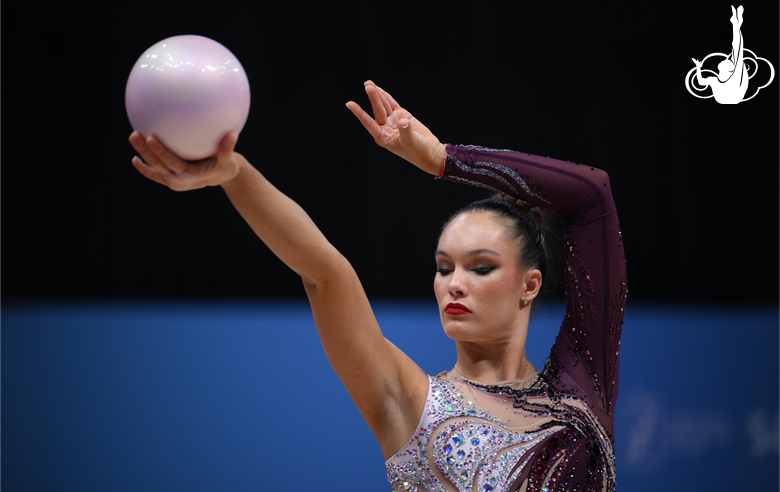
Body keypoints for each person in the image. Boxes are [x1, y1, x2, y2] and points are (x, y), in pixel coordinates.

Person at [129, 80, 626, 491]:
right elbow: (324, 273)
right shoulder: (410, 400)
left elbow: (591, 195)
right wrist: (235, 174)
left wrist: (442, 158)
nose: (454, 284)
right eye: (443, 267)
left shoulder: (582, 390)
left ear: (529, 285)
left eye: (480, 268)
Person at [692, 5, 748, 104]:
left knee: (737, 51)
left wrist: (698, 67)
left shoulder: (720, 79)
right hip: (731, 96)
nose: (724, 59)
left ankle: (736, 24)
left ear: (729, 69)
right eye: (728, 61)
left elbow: (701, 81)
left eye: (727, 61)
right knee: (737, 52)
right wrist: (698, 67)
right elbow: (700, 82)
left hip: (732, 95)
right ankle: (736, 24)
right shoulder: (717, 79)